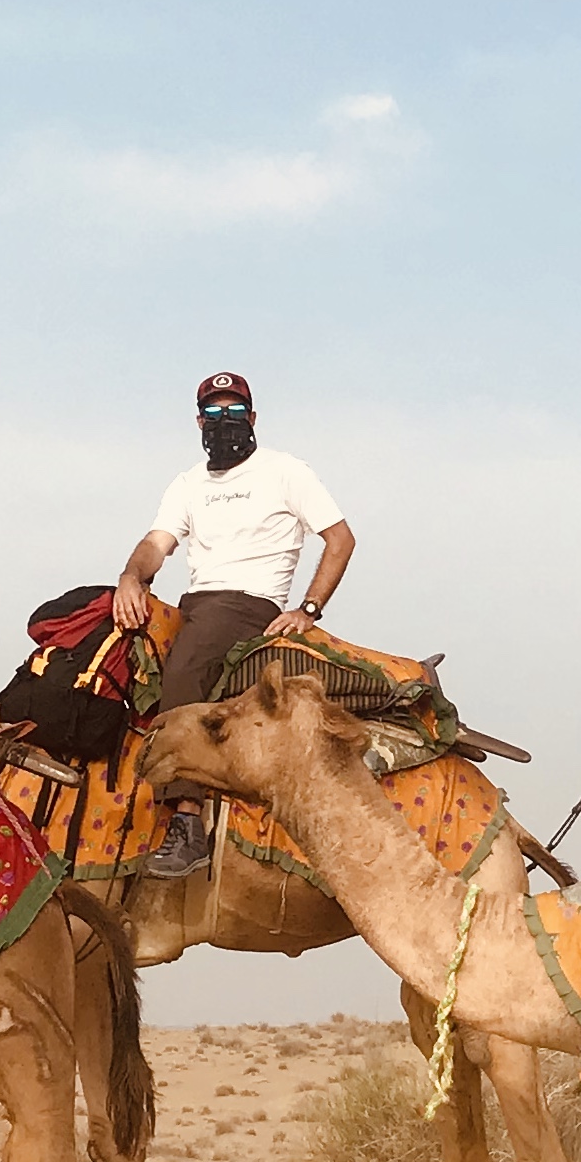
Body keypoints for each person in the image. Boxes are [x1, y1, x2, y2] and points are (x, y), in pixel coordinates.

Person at [113, 371, 355, 878]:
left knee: (185, 669)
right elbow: (157, 543)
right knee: (102, 643)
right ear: (199, 421)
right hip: (194, 602)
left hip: (247, 602)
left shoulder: (285, 472)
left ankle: (186, 820)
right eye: (214, 414)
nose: (224, 423)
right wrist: (130, 579)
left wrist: (308, 609)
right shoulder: (188, 484)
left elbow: (339, 539)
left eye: (234, 412)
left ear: (252, 417)